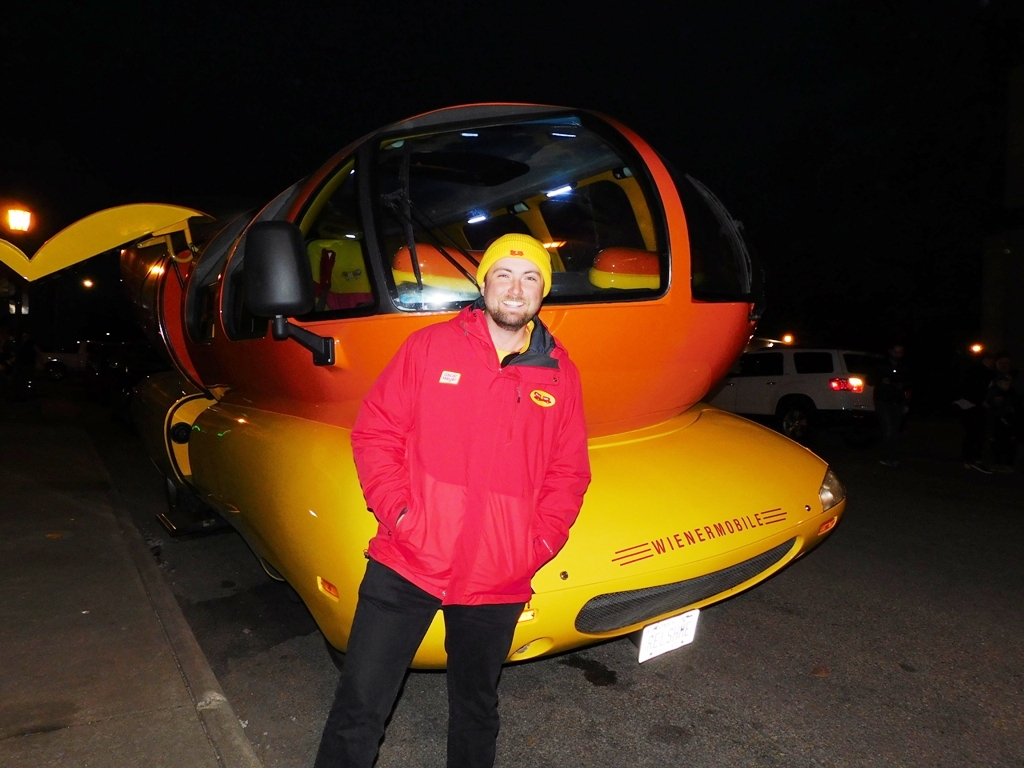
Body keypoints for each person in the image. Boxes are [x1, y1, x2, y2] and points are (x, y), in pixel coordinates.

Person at [315, 233, 591, 768]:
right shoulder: (428, 347)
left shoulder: (561, 375)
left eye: (530, 278)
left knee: (476, 711)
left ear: (543, 292)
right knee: (359, 707)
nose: (516, 289)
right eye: (504, 275)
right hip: (407, 561)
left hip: (498, 575)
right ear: (484, 284)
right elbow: (375, 434)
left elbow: (569, 472)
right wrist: (401, 514)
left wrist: (534, 544)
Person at [874, 343, 910, 468]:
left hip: (898, 402)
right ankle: (885, 457)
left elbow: (908, 386)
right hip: (883, 401)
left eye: (900, 352)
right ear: (890, 351)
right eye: (896, 351)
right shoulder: (882, 364)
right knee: (888, 430)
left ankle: (893, 458)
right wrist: (882, 380)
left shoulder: (903, 366)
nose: (898, 354)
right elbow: (870, 379)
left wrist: (906, 403)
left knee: (895, 431)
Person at [959, 350, 995, 473]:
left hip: (974, 405)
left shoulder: (982, 371)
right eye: (990, 360)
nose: (992, 363)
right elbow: (974, 389)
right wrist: (981, 401)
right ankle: (970, 459)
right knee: (973, 432)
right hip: (973, 406)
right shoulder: (979, 372)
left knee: (976, 432)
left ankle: (972, 458)